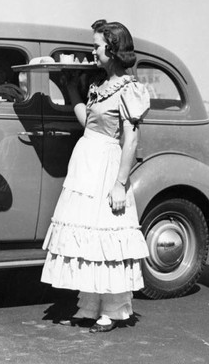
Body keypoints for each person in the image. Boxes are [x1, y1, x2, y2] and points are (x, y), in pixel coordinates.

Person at [41, 19, 151, 333]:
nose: (92, 51)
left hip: (107, 166)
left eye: (97, 46)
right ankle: (89, 306)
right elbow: (88, 122)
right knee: (89, 239)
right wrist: (72, 90)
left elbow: (131, 140)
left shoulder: (130, 89)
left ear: (113, 51)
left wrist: (120, 184)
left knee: (107, 238)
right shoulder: (99, 86)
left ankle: (114, 310)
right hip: (86, 163)